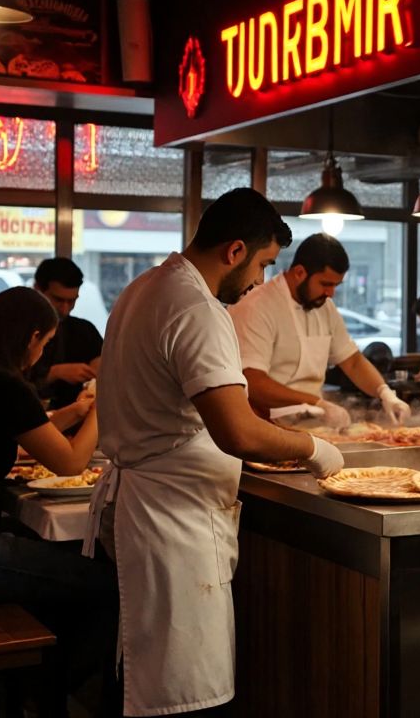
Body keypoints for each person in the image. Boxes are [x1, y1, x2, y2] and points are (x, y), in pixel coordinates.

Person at [87, 188, 345, 717]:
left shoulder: (144, 287)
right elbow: (238, 432)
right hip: (170, 523)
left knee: (140, 672)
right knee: (181, 691)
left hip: (147, 506)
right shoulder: (196, 308)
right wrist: (315, 449)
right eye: (262, 264)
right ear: (234, 251)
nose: (257, 281)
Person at [0, 287, 115, 706]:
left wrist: (72, 413)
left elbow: (14, 427)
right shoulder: (4, 384)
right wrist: (99, 407)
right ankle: (64, 693)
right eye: (45, 343)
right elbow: (72, 463)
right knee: (110, 582)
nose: (43, 353)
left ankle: (46, 684)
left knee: (53, 567)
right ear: (30, 337)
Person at [230, 233, 411, 429]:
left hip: (314, 426)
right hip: (265, 426)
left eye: (335, 285)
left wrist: (385, 393)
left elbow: (352, 361)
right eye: (326, 284)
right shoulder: (258, 306)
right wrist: (316, 402)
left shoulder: (325, 307)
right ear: (299, 272)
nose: (331, 293)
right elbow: (253, 382)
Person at [28, 256, 103, 409]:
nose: (65, 309)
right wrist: (55, 373)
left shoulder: (85, 330)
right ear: (37, 289)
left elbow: (103, 369)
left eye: (72, 301)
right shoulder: (17, 331)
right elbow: (6, 382)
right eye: (58, 300)